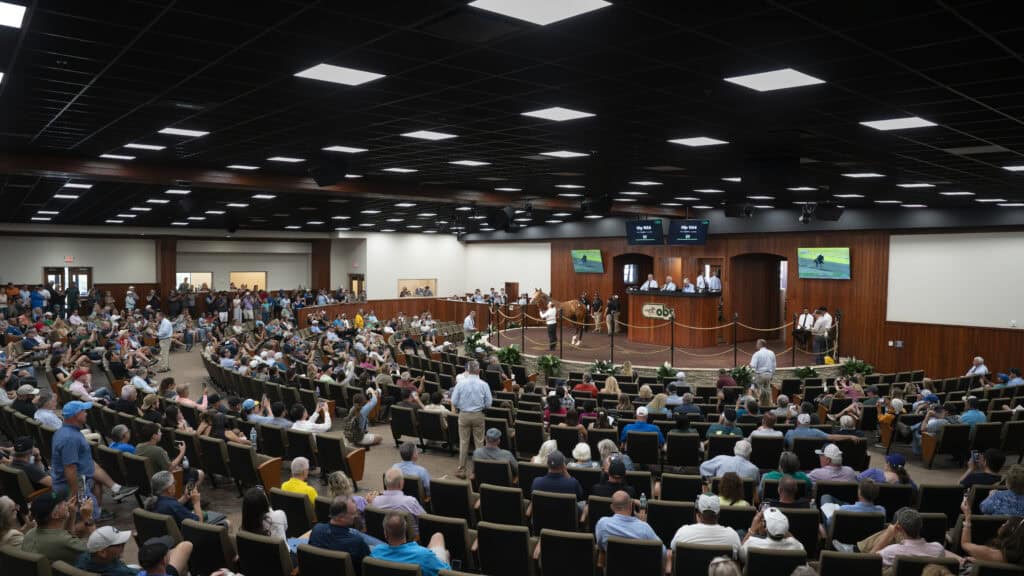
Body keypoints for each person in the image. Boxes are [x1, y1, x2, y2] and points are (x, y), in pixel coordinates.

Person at [52, 401, 137, 522]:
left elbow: (85, 460)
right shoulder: (69, 439)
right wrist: (77, 497)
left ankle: (104, 503)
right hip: (73, 484)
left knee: (97, 480)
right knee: (88, 519)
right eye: (84, 411)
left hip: (82, 477)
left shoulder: (69, 432)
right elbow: (70, 470)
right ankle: (92, 516)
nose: (86, 413)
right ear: (76, 415)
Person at [840, 507, 957, 567]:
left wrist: (888, 535)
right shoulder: (938, 548)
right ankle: (855, 549)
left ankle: (856, 549)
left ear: (900, 529)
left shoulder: (891, 551)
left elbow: (868, 563)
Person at [595, 490, 667, 566]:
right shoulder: (644, 528)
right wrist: (641, 523)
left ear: (612, 507)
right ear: (631, 505)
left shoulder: (602, 524)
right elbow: (662, 552)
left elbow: (601, 546)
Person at [22, 491, 94, 565]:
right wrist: (87, 518)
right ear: (55, 515)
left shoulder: (30, 533)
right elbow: (99, 548)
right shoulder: (64, 541)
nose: (66, 503)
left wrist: (72, 515)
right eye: (61, 503)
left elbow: (65, 535)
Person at [370, 512, 450, 576]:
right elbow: (445, 572)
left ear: (385, 533)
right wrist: (446, 559)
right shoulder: (423, 555)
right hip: (426, 559)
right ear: (405, 530)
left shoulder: (376, 552)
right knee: (438, 537)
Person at [450, 360, 492, 478]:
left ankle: (462, 470)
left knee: (463, 443)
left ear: (468, 370)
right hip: (478, 415)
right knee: (479, 443)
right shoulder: (484, 384)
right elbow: (489, 404)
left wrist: (462, 407)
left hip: (463, 415)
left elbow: (453, 401)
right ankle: (477, 471)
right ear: (478, 371)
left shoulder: (460, 384)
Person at [309, 495, 372, 572]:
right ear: (341, 517)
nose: (356, 516)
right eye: (353, 514)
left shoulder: (316, 529)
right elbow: (369, 566)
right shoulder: (357, 542)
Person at [150, 470, 228, 528]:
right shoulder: (175, 507)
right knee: (227, 523)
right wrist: (196, 503)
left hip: (170, 533)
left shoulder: (154, 502)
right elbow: (198, 524)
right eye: (174, 482)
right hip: (188, 537)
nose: (175, 483)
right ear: (169, 489)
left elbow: (171, 506)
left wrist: (184, 497)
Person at [670, 494, 741, 557]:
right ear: (719, 514)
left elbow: (672, 549)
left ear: (698, 513)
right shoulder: (732, 536)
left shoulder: (683, 532)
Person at [959, 499, 1024, 566]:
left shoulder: (993, 554)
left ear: (1012, 531)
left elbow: (965, 544)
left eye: (1006, 523)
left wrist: (967, 516)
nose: (1002, 524)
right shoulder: (1018, 557)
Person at [739, 507, 805, 562]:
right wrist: (782, 527)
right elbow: (801, 549)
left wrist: (752, 529)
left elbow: (741, 555)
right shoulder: (797, 547)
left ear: (764, 525)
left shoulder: (751, 543)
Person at [749, 339, 776, 406]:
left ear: (760, 345)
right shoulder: (771, 353)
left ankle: (758, 404)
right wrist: (772, 375)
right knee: (767, 391)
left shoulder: (757, 354)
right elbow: (774, 365)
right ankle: (768, 405)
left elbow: (753, 366)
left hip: (760, 375)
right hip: (769, 375)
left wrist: (749, 365)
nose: (756, 345)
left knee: (754, 389)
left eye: (757, 344)